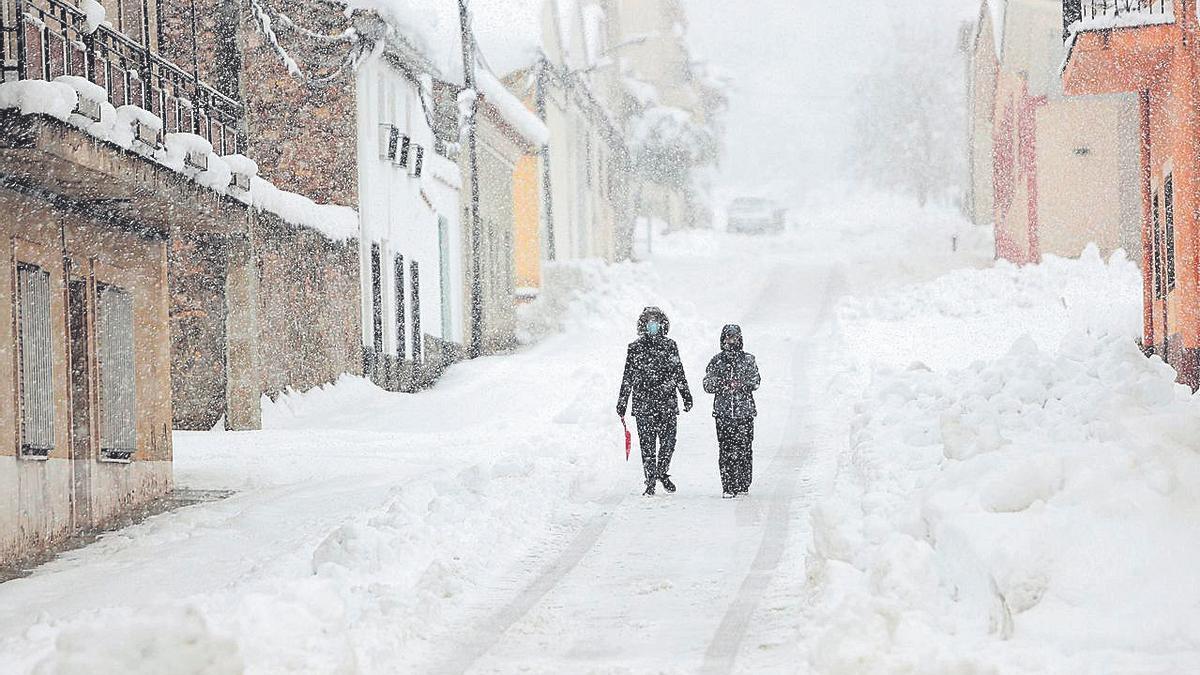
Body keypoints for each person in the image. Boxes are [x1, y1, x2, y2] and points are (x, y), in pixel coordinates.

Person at [617, 307, 694, 496]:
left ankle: (662, 471)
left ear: (662, 324)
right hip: (644, 404)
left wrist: (686, 395)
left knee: (669, 442)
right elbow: (628, 376)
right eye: (649, 322)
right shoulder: (635, 348)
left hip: (666, 403)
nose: (653, 325)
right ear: (643, 325)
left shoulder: (670, 346)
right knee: (647, 445)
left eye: (656, 321)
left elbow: (679, 372)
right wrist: (622, 402)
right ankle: (650, 479)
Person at [703, 325, 761, 498]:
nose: (731, 341)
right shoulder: (716, 361)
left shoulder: (748, 360)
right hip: (723, 413)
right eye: (728, 338)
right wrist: (723, 384)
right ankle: (728, 485)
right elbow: (707, 384)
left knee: (744, 448)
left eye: (734, 338)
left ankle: (744, 483)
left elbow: (756, 381)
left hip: (745, 413)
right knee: (726, 450)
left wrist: (741, 385)